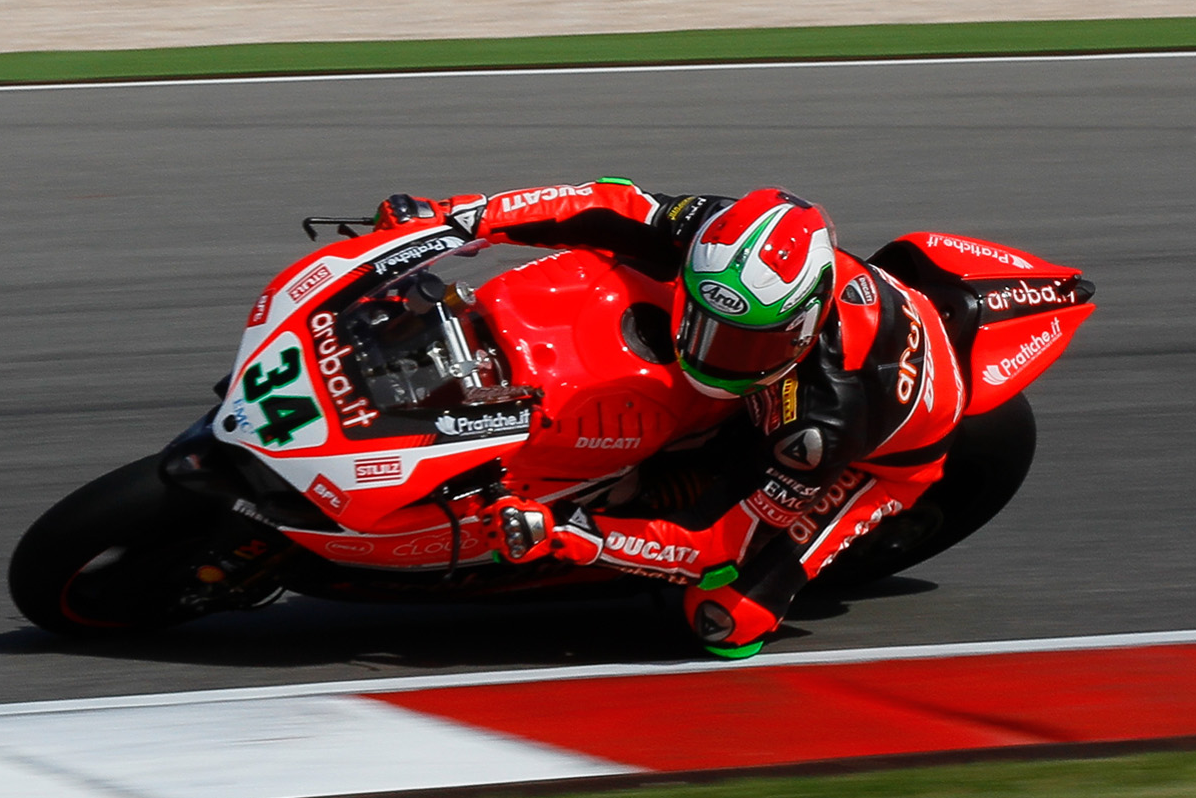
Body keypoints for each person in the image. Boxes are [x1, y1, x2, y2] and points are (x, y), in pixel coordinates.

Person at [373, 180, 966, 658]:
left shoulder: (824, 421)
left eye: (743, 344)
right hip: (781, 388)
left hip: (876, 458)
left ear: (801, 327)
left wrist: (570, 534)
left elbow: (715, 546)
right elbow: (606, 204)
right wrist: (460, 218)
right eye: (704, 324)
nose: (713, 354)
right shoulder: (722, 232)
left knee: (726, 619)